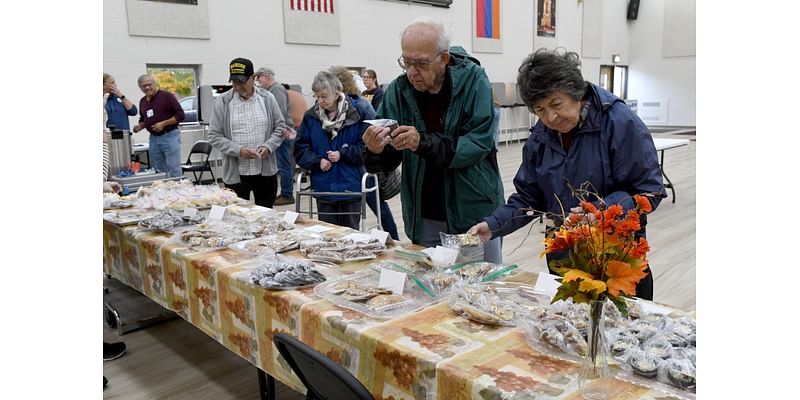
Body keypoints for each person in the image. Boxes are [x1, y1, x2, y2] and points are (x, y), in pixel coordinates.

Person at [468, 48, 666, 300]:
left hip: (616, 257)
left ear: (576, 92)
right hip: (565, 256)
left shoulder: (619, 122)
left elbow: (650, 190)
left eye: (556, 104)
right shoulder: (541, 137)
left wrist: (601, 211)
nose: (550, 117)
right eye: (540, 110)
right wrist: (492, 225)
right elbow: (530, 199)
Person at [362, 17, 505, 261]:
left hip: (473, 208)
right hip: (424, 212)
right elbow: (388, 157)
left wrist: (422, 142)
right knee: (429, 290)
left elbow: (478, 144)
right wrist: (375, 150)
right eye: (406, 62)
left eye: (420, 64)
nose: (411, 73)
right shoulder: (398, 90)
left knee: (482, 287)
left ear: (444, 59)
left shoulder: (474, 81)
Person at [329, 66, 400, 240]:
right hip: (348, 166)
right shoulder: (333, 107)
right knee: (377, 204)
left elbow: (374, 129)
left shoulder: (361, 105)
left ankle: (395, 238)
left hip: (363, 164)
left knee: (377, 204)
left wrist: (346, 150)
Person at [208, 58, 287, 208]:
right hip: (236, 173)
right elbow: (214, 135)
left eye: (242, 82)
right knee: (237, 216)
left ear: (253, 78)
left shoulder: (267, 98)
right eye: (234, 82)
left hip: (264, 172)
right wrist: (239, 150)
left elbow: (280, 127)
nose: (238, 86)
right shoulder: (223, 102)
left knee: (266, 214)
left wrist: (269, 146)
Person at [294, 71, 367, 230]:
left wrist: (343, 154)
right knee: (327, 234)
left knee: (351, 234)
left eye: (324, 96)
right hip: (324, 187)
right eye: (317, 96)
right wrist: (317, 161)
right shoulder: (311, 116)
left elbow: (366, 148)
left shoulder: (357, 114)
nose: (320, 101)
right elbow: (299, 149)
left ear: (337, 93)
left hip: (350, 186)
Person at [256, 67, 297, 206]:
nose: (257, 81)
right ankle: (286, 192)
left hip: (283, 132)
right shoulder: (272, 91)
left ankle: (287, 194)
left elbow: (280, 114)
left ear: (267, 77)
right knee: (284, 164)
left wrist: (279, 131)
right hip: (281, 132)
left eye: (259, 77)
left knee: (284, 164)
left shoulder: (276, 90)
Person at [132, 74, 185, 177]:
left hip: (169, 136)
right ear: (140, 87)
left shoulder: (167, 96)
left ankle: (178, 191)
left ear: (154, 84)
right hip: (154, 139)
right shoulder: (142, 101)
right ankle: (163, 191)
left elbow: (180, 115)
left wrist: (163, 124)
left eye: (149, 84)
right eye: (144, 86)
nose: (147, 87)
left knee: (173, 168)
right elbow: (143, 119)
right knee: (158, 169)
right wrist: (139, 127)